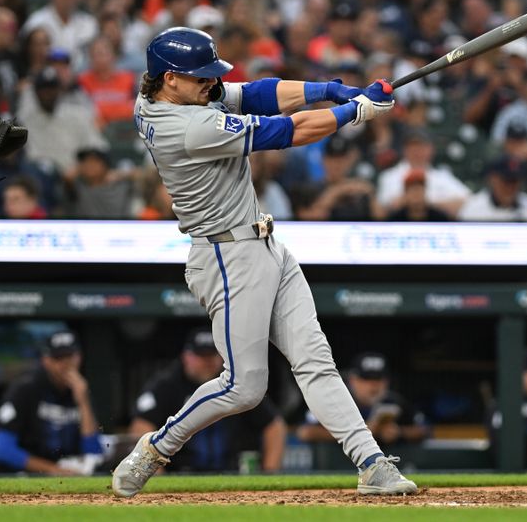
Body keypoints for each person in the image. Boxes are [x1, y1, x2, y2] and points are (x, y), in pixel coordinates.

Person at [112, 27, 416, 497]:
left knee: (316, 359)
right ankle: (154, 448)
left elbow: (255, 92)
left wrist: (327, 88)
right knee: (243, 387)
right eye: (200, 78)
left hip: (265, 242)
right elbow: (286, 130)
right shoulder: (189, 126)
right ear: (169, 79)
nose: (211, 84)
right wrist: (356, 111)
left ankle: (371, 463)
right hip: (226, 256)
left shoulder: (171, 94)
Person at [129, 328, 286, 473]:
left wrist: (269, 472)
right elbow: (141, 425)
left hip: (231, 473)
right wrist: (156, 475)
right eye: (201, 356)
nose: (207, 362)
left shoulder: (237, 384)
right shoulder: (167, 385)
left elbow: (274, 426)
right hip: (179, 473)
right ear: (186, 356)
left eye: (211, 355)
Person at [0, 329, 104, 475]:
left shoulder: (81, 389)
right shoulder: (25, 388)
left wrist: (83, 402)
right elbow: (3, 450)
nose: (66, 364)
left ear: (79, 357)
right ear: (46, 361)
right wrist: (53, 470)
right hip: (25, 475)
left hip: (69, 470)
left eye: (70, 357)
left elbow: (93, 453)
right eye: (59, 358)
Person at [296, 352, 428, 451]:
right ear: (353, 380)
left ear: (387, 381)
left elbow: (424, 429)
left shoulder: (394, 401)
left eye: (378, 379)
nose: (373, 385)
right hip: (336, 466)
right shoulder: (336, 400)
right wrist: (359, 433)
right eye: (367, 379)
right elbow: (305, 432)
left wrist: (399, 432)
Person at [458, 155, 527, 221]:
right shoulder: (474, 208)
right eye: (506, 181)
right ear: (492, 179)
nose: (510, 187)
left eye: (514, 181)